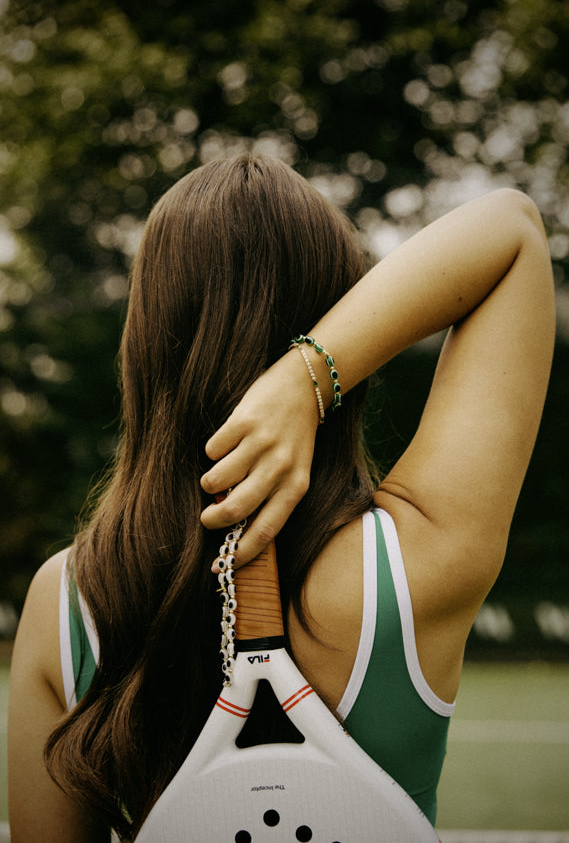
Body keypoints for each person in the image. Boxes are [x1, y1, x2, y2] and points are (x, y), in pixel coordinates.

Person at [8, 154, 555, 842]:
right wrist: (306, 378)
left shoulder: (64, 601)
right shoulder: (409, 561)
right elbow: (511, 229)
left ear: (144, 337)